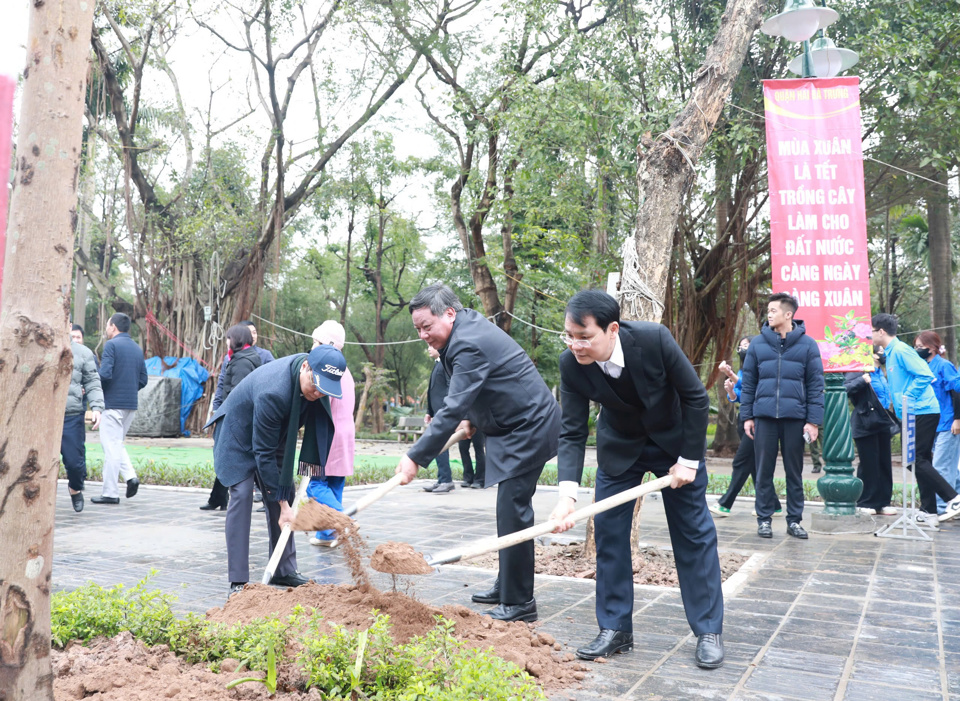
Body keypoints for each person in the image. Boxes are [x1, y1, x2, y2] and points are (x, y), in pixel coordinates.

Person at [549, 290, 724, 669]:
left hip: (675, 445)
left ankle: (708, 630)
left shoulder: (653, 338)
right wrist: (567, 496)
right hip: (620, 448)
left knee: (693, 533)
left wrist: (689, 461)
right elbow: (572, 432)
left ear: (612, 329)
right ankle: (615, 629)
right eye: (569, 335)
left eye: (584, 337)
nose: (575, 344)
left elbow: (695, 397)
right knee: (609, 534)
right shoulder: (571, 363)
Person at [395, 283, 561, 623]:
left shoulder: (468, 342)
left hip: (530, 426)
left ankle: (519, 603)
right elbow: (476, 390)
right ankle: (507, 585)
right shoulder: (462, 332)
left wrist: (415, 456)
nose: (423, 335)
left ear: (450, 314)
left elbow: (452, 405)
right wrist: (472, 419)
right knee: (508, 511)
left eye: (427, 326)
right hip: (511, 426)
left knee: (513, 509)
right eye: (418, 329)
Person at [206, 345, 345, 595]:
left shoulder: (316, 383)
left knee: (284, 490)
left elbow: (276, 450)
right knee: (242, 493)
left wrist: (283, 501)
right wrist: (282, 506)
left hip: (273, 432)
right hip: (237, 435)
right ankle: (238, 579)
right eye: (315, 385)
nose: (318, 393)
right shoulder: (274, 391)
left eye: (324, 389)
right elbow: (263, 454)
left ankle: (284, 570)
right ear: (305, 367)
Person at [741, 293, 824, 540]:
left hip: (795, 418)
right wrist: (747, 415)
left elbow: (815, 385)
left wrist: (813, 421)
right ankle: (764, 519)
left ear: (789, 314)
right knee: (763, 470)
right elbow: (749, 384)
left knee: (794, 471)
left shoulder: (808, 345)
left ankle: (795, 520)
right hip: (764, 417)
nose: (769, 313)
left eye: (774, 310)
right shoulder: (757, 344)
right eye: (768, 310)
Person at [872, 314, 960, 526]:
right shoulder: (892, 353)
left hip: (923, 410)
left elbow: (924, 375)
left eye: (872, 331)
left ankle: (953, 499)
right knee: (918, 461)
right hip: (913, 412)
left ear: (881, 332)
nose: (870, 335)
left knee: (914, 459)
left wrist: (907, 397)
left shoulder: (901, 350)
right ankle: (929, 510)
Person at [710, 336, 782, 518]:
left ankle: (725, 504)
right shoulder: (743, 370)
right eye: (741, 346)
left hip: (759, 422)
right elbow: (742, 396)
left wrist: (730, 374)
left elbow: (755, 389)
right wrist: (730, 392)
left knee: (741, 461)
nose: (743, 349)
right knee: (754, 465)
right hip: (745, 419)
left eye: (747, 345)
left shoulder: (762, 367)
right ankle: (773, 504)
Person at [209, 319, 275, 508]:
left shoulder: (246, 360)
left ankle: (263, 496)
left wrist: (232, 420)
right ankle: (219, 498)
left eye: (229, 338)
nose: (227, 341)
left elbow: (239, 394)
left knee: (237, 458)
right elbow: (223, 384)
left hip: (239, 420)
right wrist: (217, 407)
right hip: (232, 415)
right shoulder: (234, 358)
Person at [306, 320, 357, 546]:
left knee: (315, 485)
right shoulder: (346, 370)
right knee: (334, 484)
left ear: (328, 344)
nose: (312, 346)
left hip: (328, 434)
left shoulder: (325, 370)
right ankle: (327, 534)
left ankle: (345, 520)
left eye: (315, 342)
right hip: (346, 434)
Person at [94, 313, 148, 505]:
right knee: (115, 444)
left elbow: (105, 374)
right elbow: (143, 380)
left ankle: (110, 493)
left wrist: (96, 392)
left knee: (110, 447)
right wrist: (129, 390)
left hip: (112, 404)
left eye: (108, 325)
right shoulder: (136, 348)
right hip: (130, 406)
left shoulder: (111, 345)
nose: (106, 329)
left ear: (114, 327)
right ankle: (131, 477)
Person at [843, 349, 897, 515]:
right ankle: (866, 501)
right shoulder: (860, 369)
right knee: (869, 463)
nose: (882, 353)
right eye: (879, 351)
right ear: (871, 353)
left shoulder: (881, 372)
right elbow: (844, 389)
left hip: (882, 421)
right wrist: (862, 380)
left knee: (884, 463)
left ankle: (883, 501)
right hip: (865, 421)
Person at [913, 330, 960, 516]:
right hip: (932, 424)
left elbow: (956, 391)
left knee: (941, 466)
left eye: (920, 347)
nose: (917, 350)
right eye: (915, 347)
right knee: (947, 466)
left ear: (932, 348)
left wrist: (958, 418)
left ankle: (942, 508)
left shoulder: (944, 366)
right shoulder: (924, 366)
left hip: (948, 423)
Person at [62, 324, 104, 512]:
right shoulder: (36, 347)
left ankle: (75, 488)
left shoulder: (83, 353)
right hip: (41, 418)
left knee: (75, 463)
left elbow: (93, 382)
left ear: (68, 325)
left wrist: (97, 408)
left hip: (71, 415)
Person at [422, 345, 455, 494]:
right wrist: (429, 411)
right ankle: (442, 479)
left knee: (441, 446)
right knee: (438, 447)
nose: (429, 348)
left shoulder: (445, 364)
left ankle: (447, 480)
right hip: (436, 412)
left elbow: (450, 387)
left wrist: (444, 409)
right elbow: (432, 391)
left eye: (431, 346)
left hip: (443, 412)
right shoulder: (437, 364)